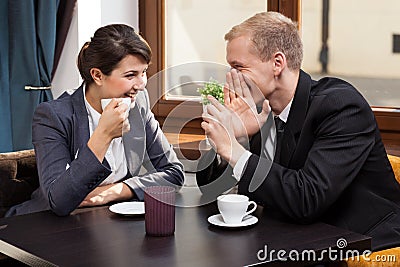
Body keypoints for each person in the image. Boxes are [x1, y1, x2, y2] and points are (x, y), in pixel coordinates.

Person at [197, 12, 400, 251]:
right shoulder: (261, 110)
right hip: (295, 237)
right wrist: (239, 137)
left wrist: (234, 150)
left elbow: (307, 198)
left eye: (238, 67)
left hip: (361, 242)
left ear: (277, 63)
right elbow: (210, 189)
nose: (230, 78)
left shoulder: (341, 106)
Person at [6, 24, 184, 217]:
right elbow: (59, 201)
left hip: (107, 218)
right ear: (97, 75)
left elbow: (174, 172)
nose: (141, 84)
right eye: (131, 75)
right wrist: (103, 135)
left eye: (144, 72)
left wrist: (115, 191)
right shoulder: (53, 116)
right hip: (43, 224)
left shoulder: (137, 103)